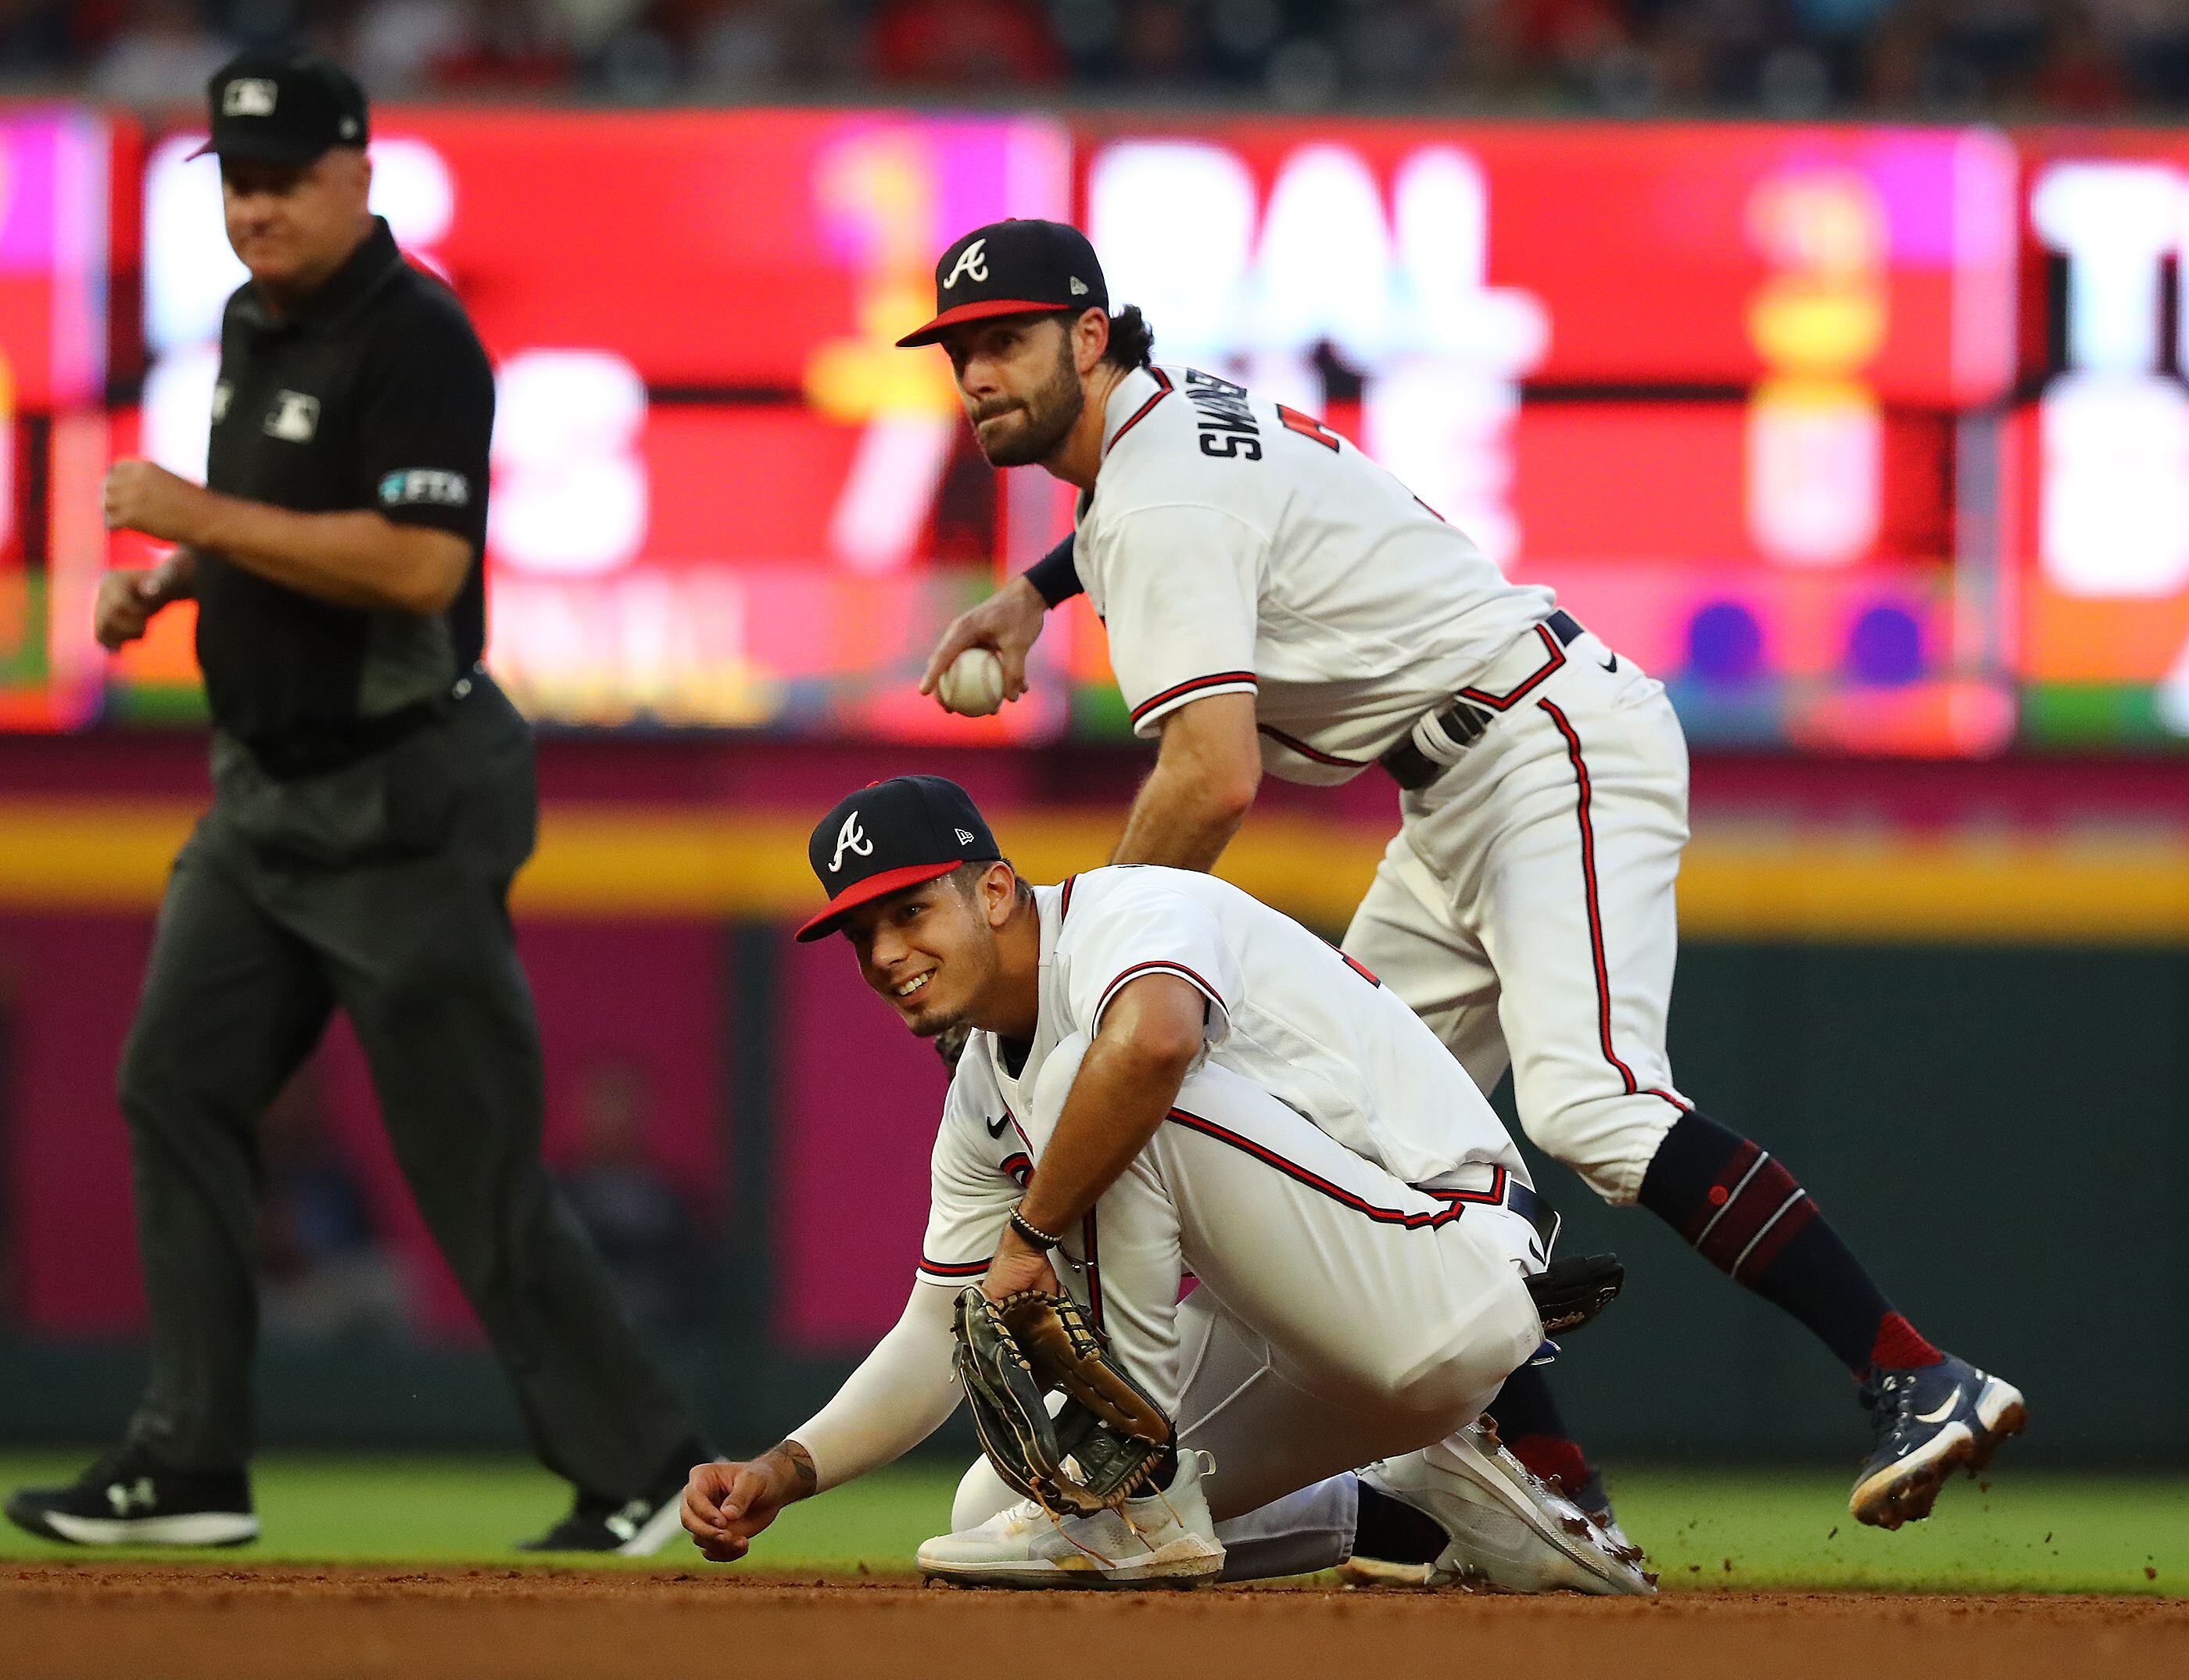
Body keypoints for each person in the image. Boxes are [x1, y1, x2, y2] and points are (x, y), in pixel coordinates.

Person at [909, 218, 2023, 1540]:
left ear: (1088, 338)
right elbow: (1133, 517)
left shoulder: (1155, 503)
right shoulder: (1160, 422)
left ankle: (1914, 1369)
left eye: (1010, 341)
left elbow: (1210, 777)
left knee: (1591, 1099)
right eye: (964, 348)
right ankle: (1557, 1493)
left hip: (1544, 740)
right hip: (1461, 779)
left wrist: (1086, 954)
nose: (980, 372)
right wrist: (1038, 592)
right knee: (1351, 1122)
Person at [3, 52, 707, 1555]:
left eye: (280, 177)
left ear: (357, 173)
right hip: (263, 800)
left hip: (403, 796)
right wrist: (180, 577)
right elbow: (296, 520)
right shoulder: (258, 327)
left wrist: (193, 515)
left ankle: (642, 1465)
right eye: (234, 181)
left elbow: (417, 566)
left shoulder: (420, 334)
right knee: (171, 1083)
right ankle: (189, 1459)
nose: (252, 206)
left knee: (472, 1166)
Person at [679, 774, 1652, 1592]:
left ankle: (1142, 1497)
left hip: (1447, 1256)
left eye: (909, 910)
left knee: (1096, 1077)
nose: (886, 953)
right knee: (993, 1509)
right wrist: (783, 1468)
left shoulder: (1127, 910)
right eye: (860, 933)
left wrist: (1029, 1236)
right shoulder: (980, 1085)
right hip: (1310, 1325)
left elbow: (1154, 1043)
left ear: (994, 892)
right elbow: (938, 1326)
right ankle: (1434, 1510)